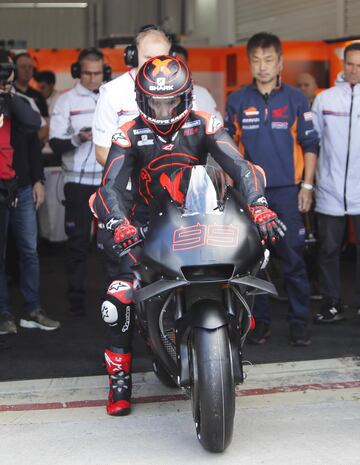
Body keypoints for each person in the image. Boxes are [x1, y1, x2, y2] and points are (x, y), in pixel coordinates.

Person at [89, 55, 286, 416]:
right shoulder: (127, 132)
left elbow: (240, 167)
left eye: (171, 100)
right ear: (140, 98)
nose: (163, 109)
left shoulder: (205, 123)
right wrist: (119, 223)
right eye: (155, 101)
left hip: (198, 217)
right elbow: (109, 188)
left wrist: (258, 205)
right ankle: (119, 381)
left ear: (187, 97)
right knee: (117, 300)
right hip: (143, 228)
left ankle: (238, 316)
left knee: (253, 256)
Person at [225, 32, 319, 346]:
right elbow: (227, 148)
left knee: (293, 259)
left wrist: (306, 185)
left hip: (287, 193)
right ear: (249, 63)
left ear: (279, 62)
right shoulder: (237, 100)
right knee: (253, 262)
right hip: (250, 194)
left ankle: (299, 323)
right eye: (256, 60)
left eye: (269, 60)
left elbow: (310, 144)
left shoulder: (295, 99)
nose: (263, 67)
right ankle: (259, 323)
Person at [92, 25, 171, 287]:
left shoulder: (181, 90)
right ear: (133, 56)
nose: (157, 66)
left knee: (170, 265)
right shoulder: (112, 92)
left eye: (163, 58)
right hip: (126, 195)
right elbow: (102, 151)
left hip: (170, 194)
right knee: (125, 270)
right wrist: (143, 170)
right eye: (149, 58)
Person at [0, 49, 60, 335]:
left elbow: (34, 128)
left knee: (29, 251)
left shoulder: (21, 102)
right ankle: (3, 314)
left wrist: (38, 180)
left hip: (22, 186)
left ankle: (33, 309)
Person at [49, 48, 110, 316]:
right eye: (87, 73)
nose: (93, 78)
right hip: (77, 181)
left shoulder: (113, 96)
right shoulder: (65, 101)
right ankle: (75, 297)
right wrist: (78, 138)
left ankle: (116, 297)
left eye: (97, 73)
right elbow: (54, 142)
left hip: (109, 181)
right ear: (77, 72)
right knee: (77, 242)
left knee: (113, 242)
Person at [311, 41, 360, 322]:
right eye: (350, 64)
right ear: (344, 64)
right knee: (328, 250)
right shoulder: (325, 99)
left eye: (359, 66)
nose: (354, 71)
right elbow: (312, 143)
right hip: (329, 188)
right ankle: (331, 302)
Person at [170, 44, 223, 122]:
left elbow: (217, 125)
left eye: (181, 64)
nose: (176, 70)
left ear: (187, 66)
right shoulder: (154, 96)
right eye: (172, 65)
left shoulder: (202, 93)